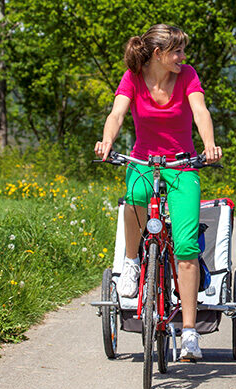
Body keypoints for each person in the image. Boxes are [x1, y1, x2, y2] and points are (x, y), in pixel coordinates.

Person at [94, 24, 222, 360]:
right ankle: (133, 261)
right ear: (157, 54)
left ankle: (190, 333)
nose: (183, 57)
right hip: (142, 160)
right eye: (177, 51)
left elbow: (200, 112)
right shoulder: (133, 77)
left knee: (185, 246)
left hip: (182, 165)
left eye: (183, 51)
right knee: (134, 197)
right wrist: (107, 141)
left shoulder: (187, 75)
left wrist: (209, 145)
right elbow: (117, 113)